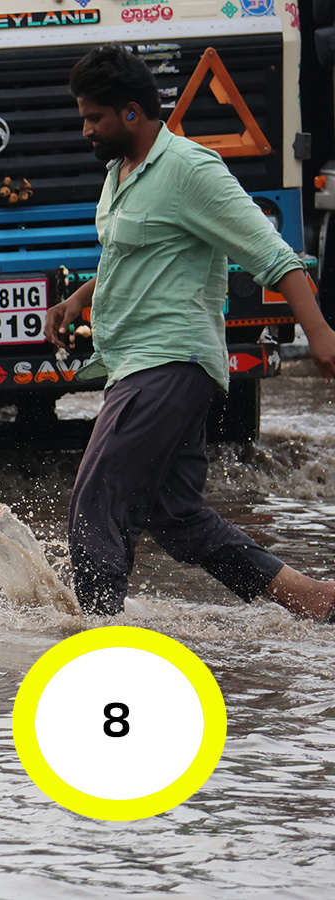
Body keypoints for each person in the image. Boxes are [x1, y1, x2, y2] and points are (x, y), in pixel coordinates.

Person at [44, 43, 335, 622]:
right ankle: (313, 600)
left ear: (132, 112)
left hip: (168, 363)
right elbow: (130, 255)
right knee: (177, 518)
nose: (86, 130)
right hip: (136, 362)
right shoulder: (120, 173)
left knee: (96, 502)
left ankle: (97, 636)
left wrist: (321, 334)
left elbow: (274, 257)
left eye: (94, 118)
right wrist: (81, 297)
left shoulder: (191, 170)